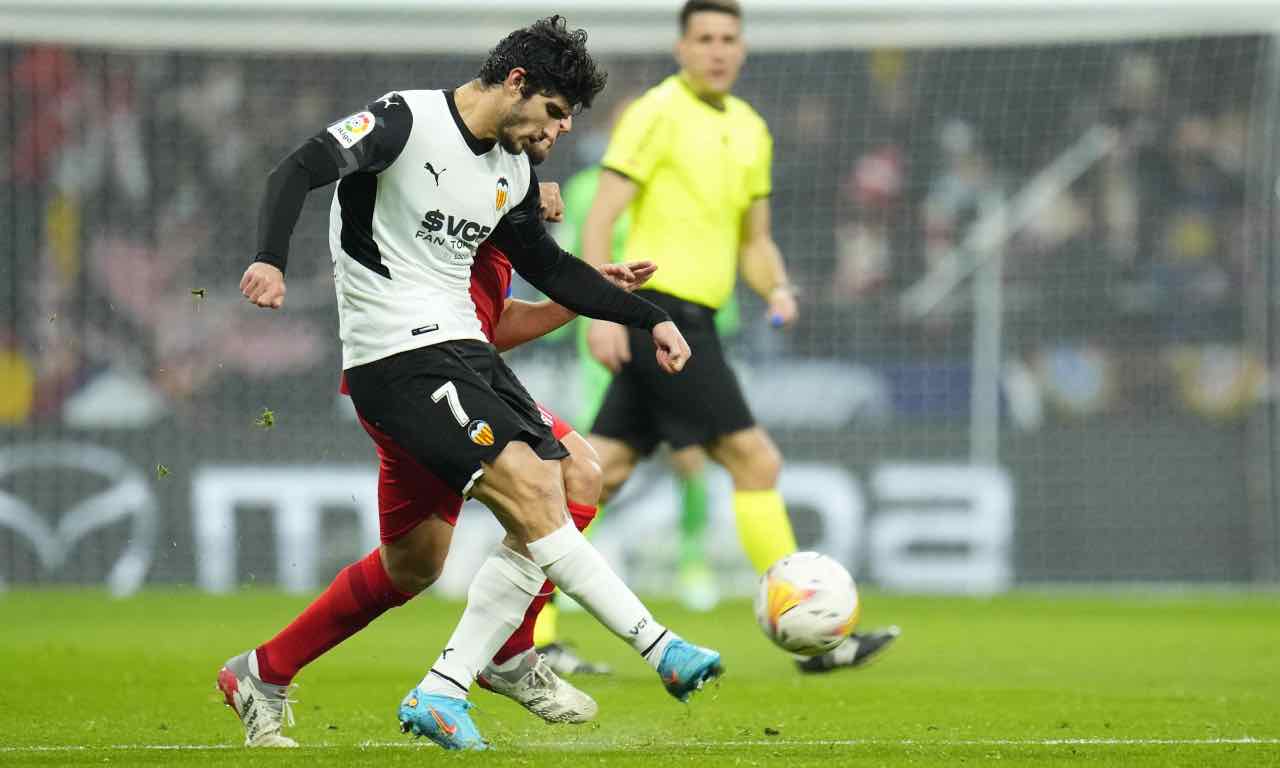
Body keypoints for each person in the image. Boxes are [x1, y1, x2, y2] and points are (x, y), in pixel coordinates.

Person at [220, 16, 722, 751]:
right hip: (395, 359)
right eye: (552, 114)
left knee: (446, 546)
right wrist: (270, 259)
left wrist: (648, 317)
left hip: (463, 359)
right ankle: (646, 649)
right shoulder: (403, 120)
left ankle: (264, 671)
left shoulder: (511, 173)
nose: (554, 137)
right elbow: (295, 168)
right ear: (517, 83)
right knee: (532, 484)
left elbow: (550, 269)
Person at [580, 0, 899, 674]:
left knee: (593, 477)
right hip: (658, 312)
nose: (717, 50)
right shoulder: (656, 112)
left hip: (698, 320)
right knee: (756, 463)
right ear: (681, 47)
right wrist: (601, 312)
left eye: (728, 38)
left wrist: (776, 286)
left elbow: (754, 241)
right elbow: (601, 218)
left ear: (743, 48)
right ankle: (818, 638)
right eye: (705, 38)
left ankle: (530, 636)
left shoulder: (752, 129)